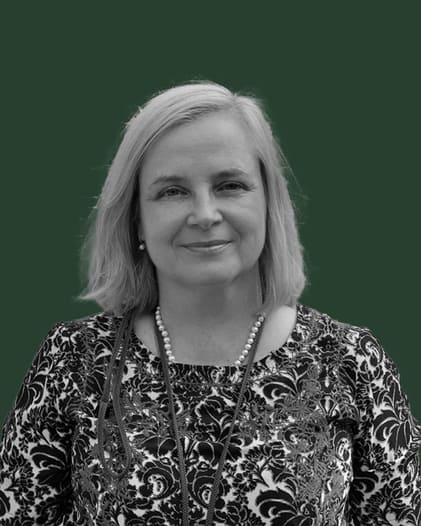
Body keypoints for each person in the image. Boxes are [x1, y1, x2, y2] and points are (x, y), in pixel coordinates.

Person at [0, 81, 420, 526]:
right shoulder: (74, 358)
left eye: (230, 185)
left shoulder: (350, 360)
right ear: (136, 219)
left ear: (269, 203)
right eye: (172, 191)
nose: (204, 215)